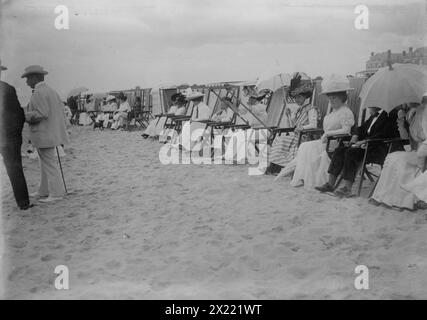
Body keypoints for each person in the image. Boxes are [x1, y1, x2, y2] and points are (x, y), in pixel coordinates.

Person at [285, 76, 355, 189]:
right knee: (304, 146)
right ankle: (303, 178)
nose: (331, 101)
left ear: (342, 98)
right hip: (326, 141)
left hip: (337, 142)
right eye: (330, 98)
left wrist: (327, 134)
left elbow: (346, 130)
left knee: (309, 149)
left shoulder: (346, 112)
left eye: (334, 98)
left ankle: (313, 180)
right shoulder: (332, 112)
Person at [315, 106, 397, 197]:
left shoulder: (390, 115)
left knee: (351, 152)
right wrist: (355, 135)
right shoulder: (373, 117)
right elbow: (360, 128)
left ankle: (347, 188)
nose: (369, 107)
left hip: (378, 149)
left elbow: (384, 134)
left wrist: (364, 141)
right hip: (365, 147)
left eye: (371, 104)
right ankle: (330, 184)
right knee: (339, 150)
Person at [370, 95, 427, 210]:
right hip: (417, 150)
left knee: (401, 161)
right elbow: (405, 137)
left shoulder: (424, 112)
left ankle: (401, 201)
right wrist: (401, 122)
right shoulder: (411, 114)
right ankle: (383, 196)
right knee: (393, 157)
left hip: (424, 152)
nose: (405, 102)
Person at [22, 65, 69, 203]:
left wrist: (25, 116)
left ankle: (56, 193)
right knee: (45, 163)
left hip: (43, 134)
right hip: (51, 133)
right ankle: (43, 190)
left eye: (27, 79)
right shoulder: (51, 91)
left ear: (34, 78)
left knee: (49, 164)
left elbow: (42, 113)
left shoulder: (38, 93)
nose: (26, 82)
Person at [266, 76, 318, 175]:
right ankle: (275, 165)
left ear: (305, 97)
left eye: (299, 97)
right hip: (296, 134)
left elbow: (313, 125)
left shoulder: (311, 109)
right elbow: (292, 126)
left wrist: (303, 128)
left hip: (305, 136)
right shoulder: (299, 110)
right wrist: (288, 115)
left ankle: (277, 167)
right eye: (295, 98)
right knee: (278, 138)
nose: (296, 100)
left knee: (283, 140)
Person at [0, 59, 32, 210]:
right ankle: (23, 203)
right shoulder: (8, 89)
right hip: (8, 137)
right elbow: (18, 115)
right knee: (14, 168)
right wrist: (15, 135)